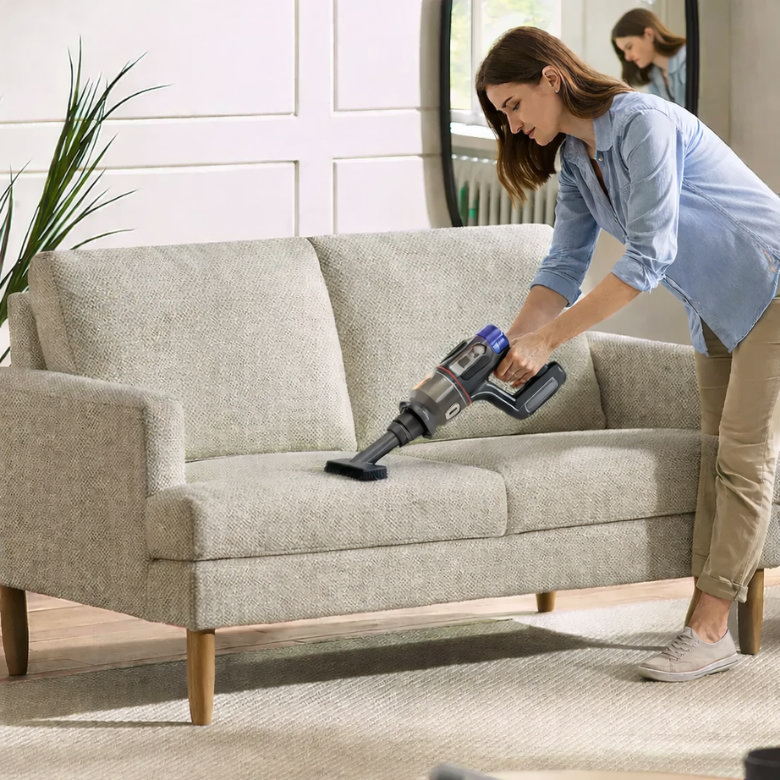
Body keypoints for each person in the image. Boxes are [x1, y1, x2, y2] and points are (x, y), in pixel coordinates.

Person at [476, 25, 780, 682]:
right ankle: (715, 629)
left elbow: (648, 258)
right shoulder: (578, 161)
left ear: (551, 79)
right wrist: (499, 351)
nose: (514, 124)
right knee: (714, 459)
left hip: (773, 285)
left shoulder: (642, 123)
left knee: (743, 458)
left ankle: (706, 628)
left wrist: (548, 340)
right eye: (504, 115)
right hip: (717, 309)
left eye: (513, 106)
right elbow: (561, 269)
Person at [611, 7, 686, 106]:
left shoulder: (688, 61)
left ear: (649, 34)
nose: (627, 57)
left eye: (629, 47)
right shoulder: (654, 76)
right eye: (623, 52)